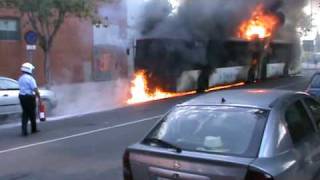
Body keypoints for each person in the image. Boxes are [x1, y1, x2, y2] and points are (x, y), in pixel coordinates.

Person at [18, 62, 40, 136]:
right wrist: (39, 97)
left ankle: (24, 131)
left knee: (25, 113)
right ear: (29, 69)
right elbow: (35, 89)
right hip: (29, 97)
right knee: (32, 113)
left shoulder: (20, 78)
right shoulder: (30, 79)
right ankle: (34, 129)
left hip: (22, 97)